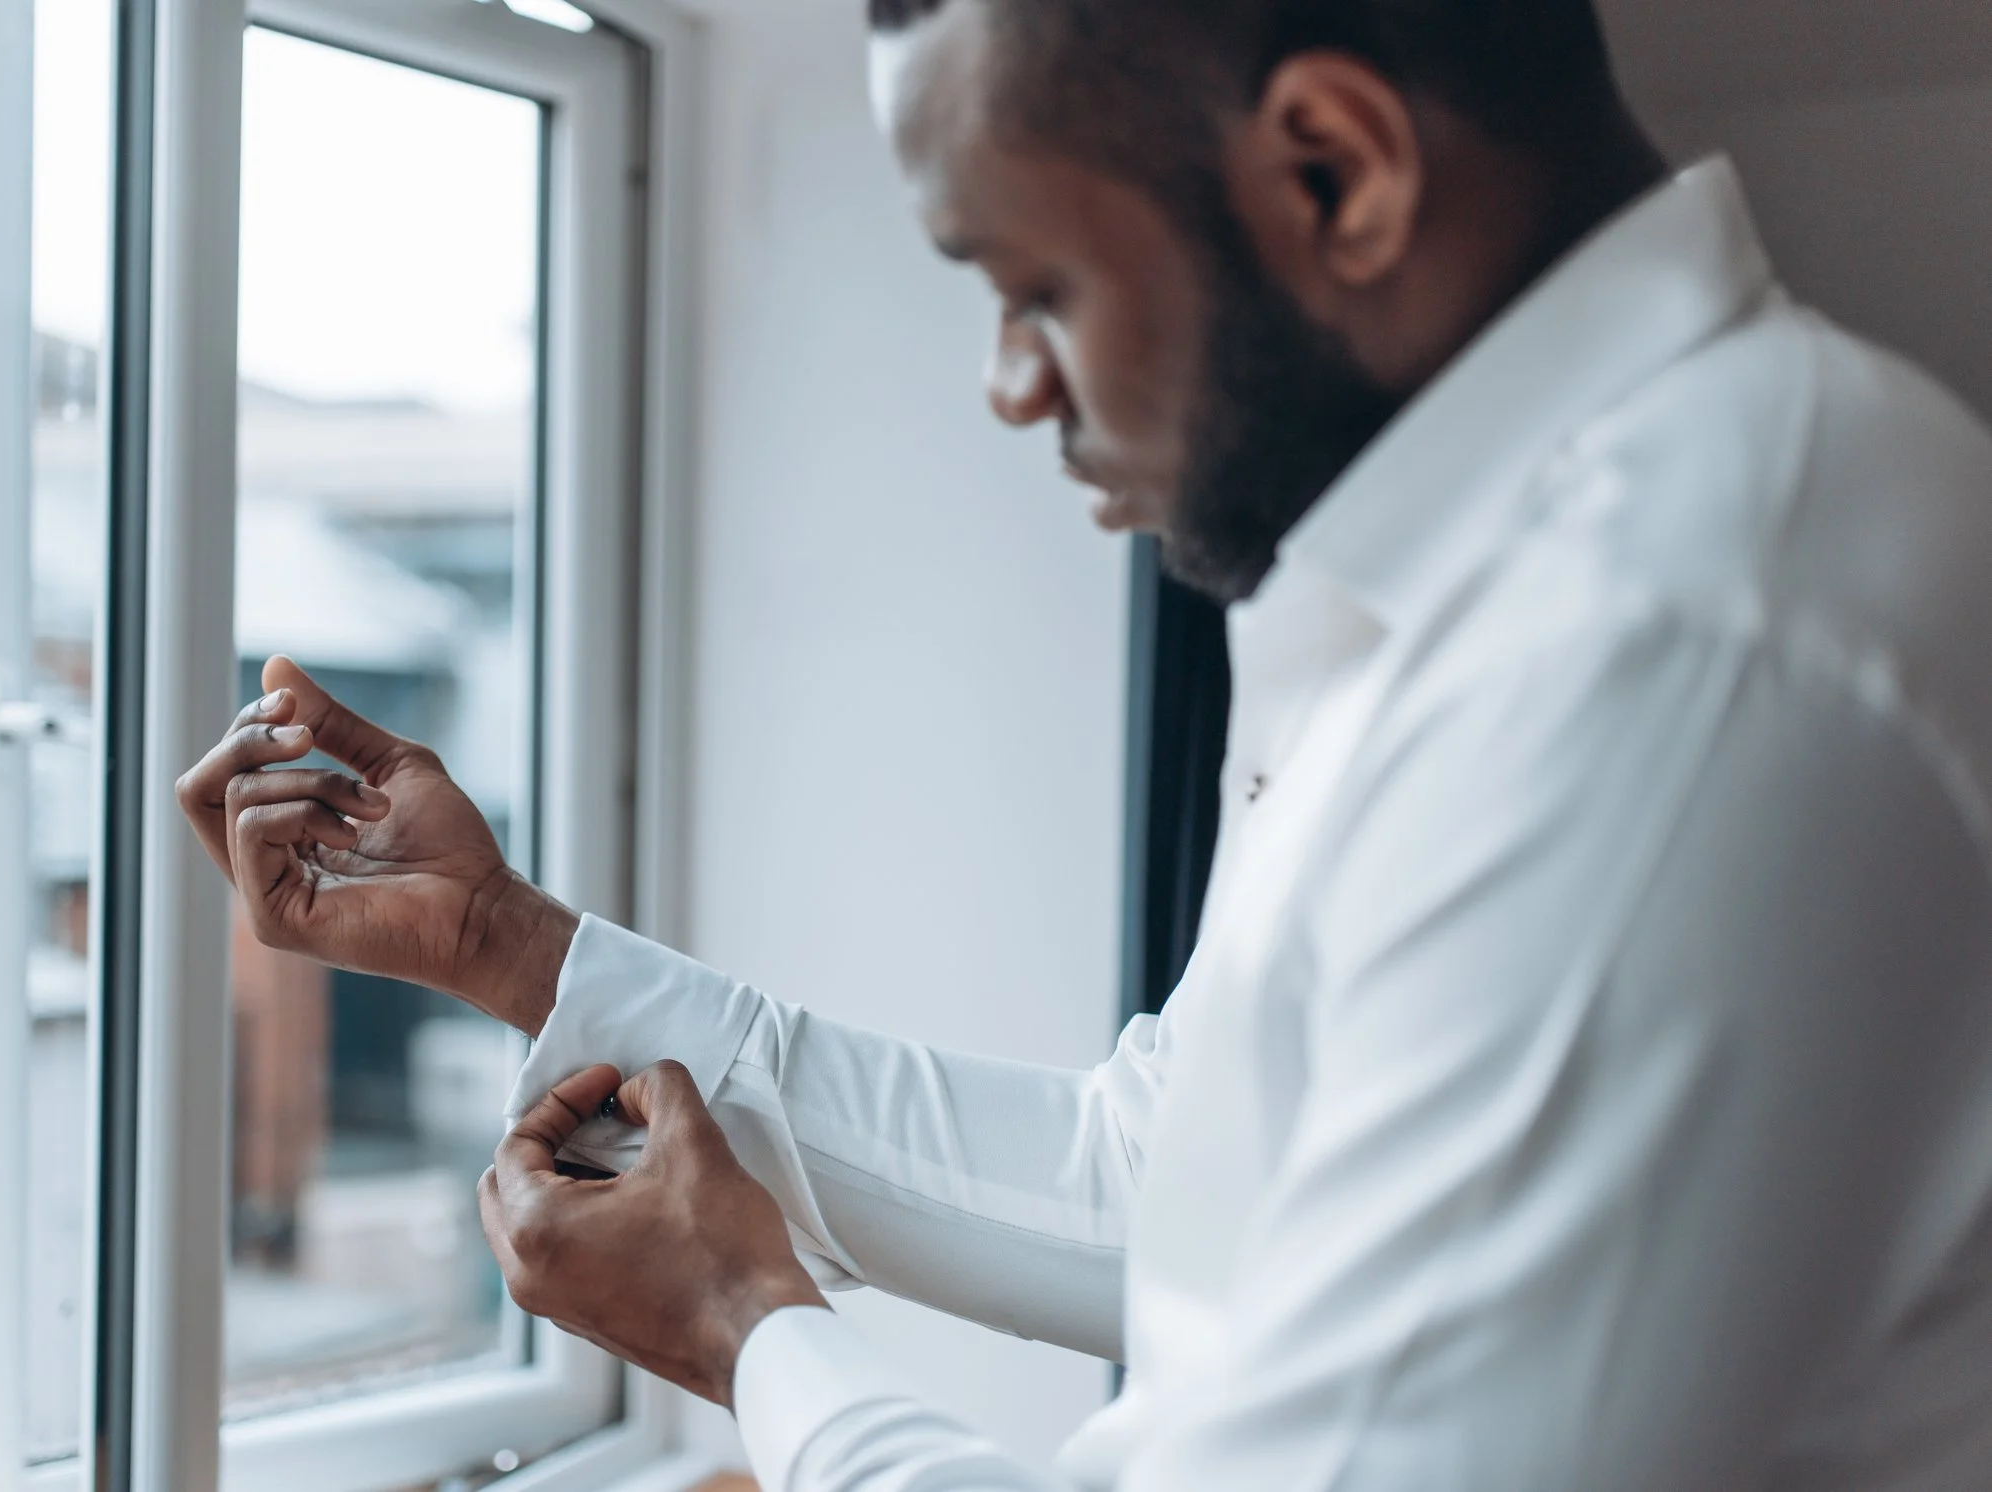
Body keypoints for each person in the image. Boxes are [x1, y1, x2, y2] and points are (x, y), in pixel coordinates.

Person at [178, 0, 1992, 1485]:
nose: (1010, 384)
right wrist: (510, 947)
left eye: (1033, 286)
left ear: (1332, 171)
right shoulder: (1477, 587)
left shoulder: (1678, 651)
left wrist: (758, 1347)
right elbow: (1166, 1174)